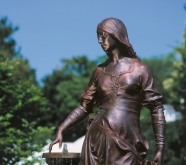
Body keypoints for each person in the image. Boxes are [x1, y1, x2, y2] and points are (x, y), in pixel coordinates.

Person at [49, 18, 166, 165]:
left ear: (116, 34)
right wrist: (62, 127)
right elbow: (84, 106)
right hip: (97, 140)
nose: (99, 40)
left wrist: (160, 147)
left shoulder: (140, 70)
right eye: (98, 36)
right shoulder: (99, 71)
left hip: (127, 142)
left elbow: (156, 108)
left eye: (103, 35)